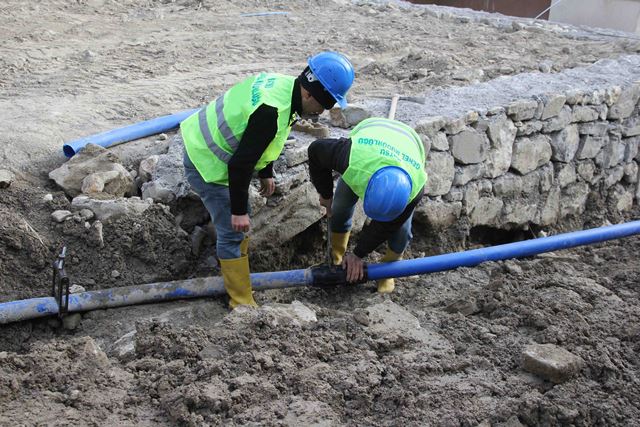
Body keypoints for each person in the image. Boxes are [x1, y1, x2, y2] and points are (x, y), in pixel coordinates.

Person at [180, 51, 355, 309]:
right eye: (324, 104)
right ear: (309, 93)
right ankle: (240, 302)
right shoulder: (270, 111)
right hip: (206, 161)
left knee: (239, 224)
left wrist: (266, 171)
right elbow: (240, 165)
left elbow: (267, 136)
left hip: (204, 141)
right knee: (233, 231)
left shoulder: (286, 88)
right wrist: (238, 212)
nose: (322, 112)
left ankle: (239, 271)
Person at [308, 117, 427, 293]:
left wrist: (358, 254)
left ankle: (387, 272)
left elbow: (387, 227)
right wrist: (325, 194)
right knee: (340, 208)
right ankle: (337, 258)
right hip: (369, 141)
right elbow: (315, 149)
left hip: (409, 142)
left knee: (401, 231)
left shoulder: (415, 188)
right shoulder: (352, 160)